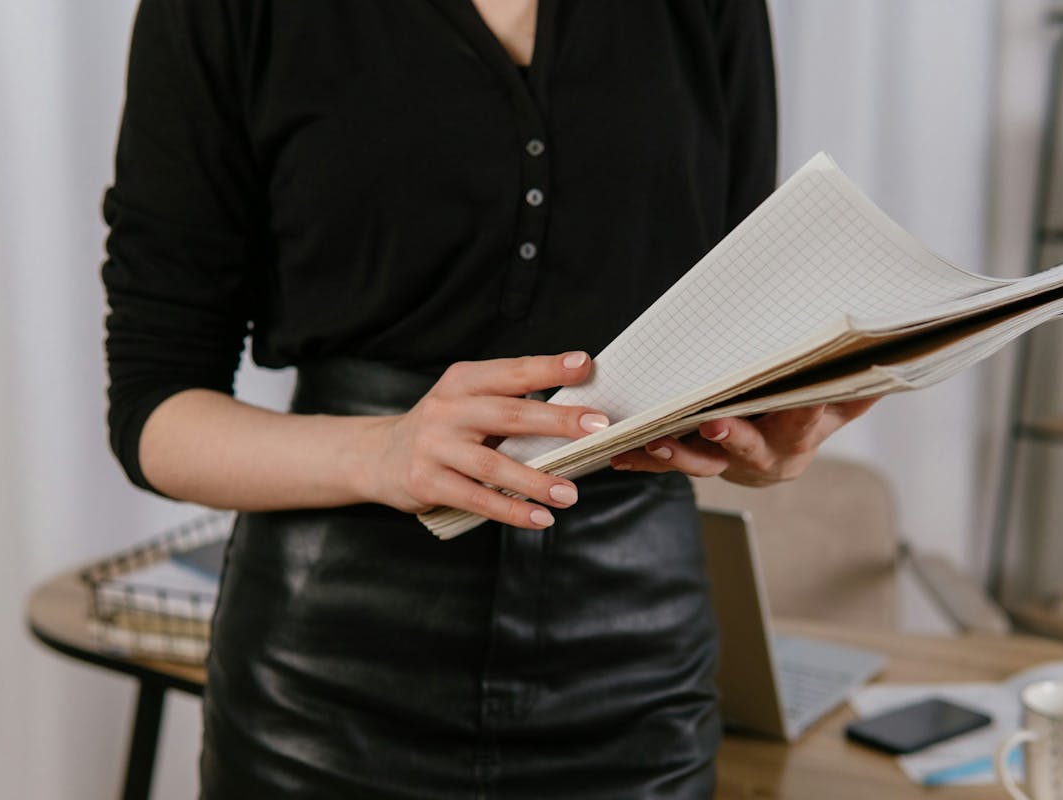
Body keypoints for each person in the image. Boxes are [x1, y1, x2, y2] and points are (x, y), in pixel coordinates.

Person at [102, 1, 874, 796]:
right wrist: (382, 451)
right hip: (325, 688)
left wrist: (763, 435)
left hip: (637, 674)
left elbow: (735, 317)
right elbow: (152, 408)